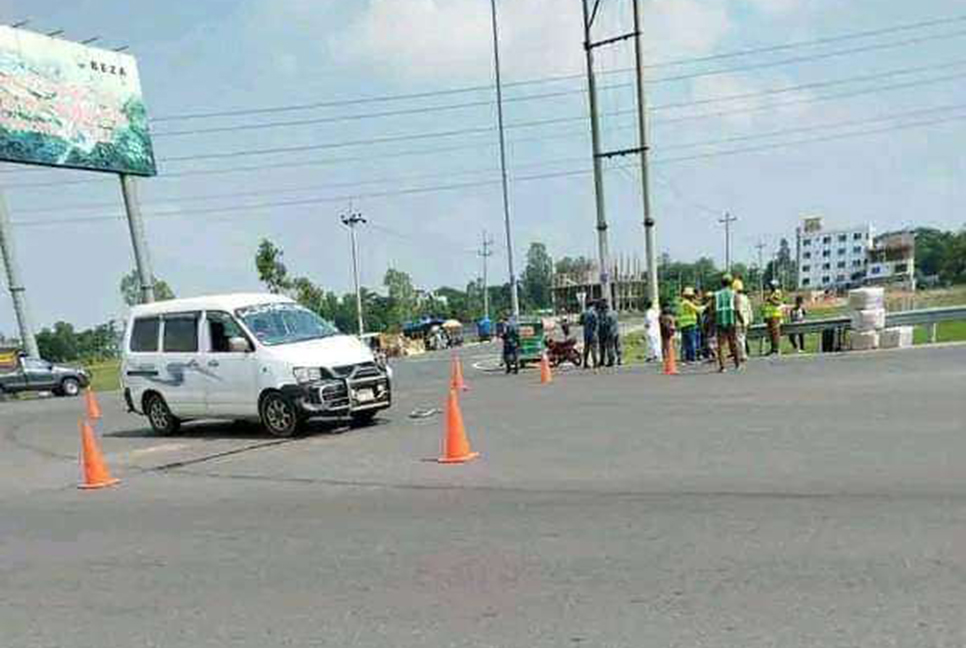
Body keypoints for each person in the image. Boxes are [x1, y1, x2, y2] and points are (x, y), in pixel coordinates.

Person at [712, 274, 742, 373]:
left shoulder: (716, 295)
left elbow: (713, 310)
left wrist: (713, 321)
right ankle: (737, 364)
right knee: (733, 342)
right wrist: (741, 320)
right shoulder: (734, 294)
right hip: (731, 320)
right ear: (731, 283)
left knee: (721, 345)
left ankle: (722, 366)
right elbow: (737, 309)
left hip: (720, 321)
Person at [676, 287, 704, 364]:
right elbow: (698, 310)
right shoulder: (687, 303)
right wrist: (706, 306)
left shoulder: (681, 303)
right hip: (690, 324)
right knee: (692, 342)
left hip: (683, 324)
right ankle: (691, 358)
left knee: (686, 343)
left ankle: (686, 358)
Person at [733, 278, 754, 362]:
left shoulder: (736, 298)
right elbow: (749, 309)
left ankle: (742, 355)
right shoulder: (745, 297)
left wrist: (741, 320)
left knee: (739, 338)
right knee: (742, 337)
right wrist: (750, 319)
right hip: (746, 319)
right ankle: (743, 354)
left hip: (739, 320)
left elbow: (737, 310)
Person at [763, 280, 785, 355]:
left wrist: (770, 300)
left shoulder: (777, 292)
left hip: (775, 315)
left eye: (772, 285)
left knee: (775, 333)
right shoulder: (769, 293)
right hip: (769, 316)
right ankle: (772, 349)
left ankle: (776, 349)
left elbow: (778, 303)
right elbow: (766, 305)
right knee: (771, 333)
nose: (770, 287)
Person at [597, 301, 617, 368]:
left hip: (607, 333)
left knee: (607, 347)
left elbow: (605, 324)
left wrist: (600, 323)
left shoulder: (607, 314)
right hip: (613, 332)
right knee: (610, 347)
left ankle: (610, 361)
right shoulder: (614, 313)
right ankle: (610, 360)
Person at [580, 301, 599, 370]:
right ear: (592, 305)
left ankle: (585, 363)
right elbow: (596, 323)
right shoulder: (594, 313)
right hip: (593, 333)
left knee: (586, 348)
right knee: (593, 348)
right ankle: (595, 363)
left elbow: (580, 322)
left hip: (586, 333)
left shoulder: (584, 313)